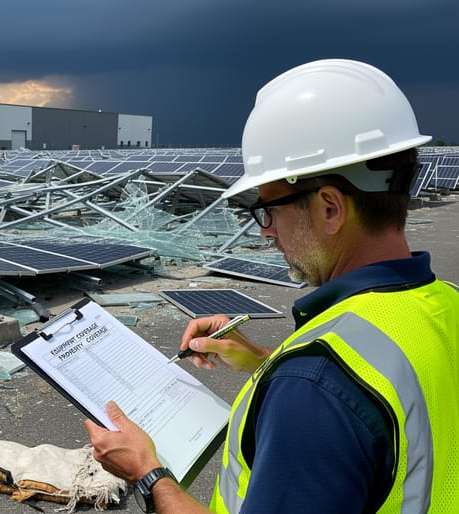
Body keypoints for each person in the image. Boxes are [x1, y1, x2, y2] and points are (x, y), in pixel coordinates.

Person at [84, 58, 459, 513]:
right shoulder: (446, 305)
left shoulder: (314, 390)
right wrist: (266, 362)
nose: (265, 230)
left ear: (329, 208)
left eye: (270, 209)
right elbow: (390, 414)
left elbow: (337, 402)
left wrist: (148, 473)